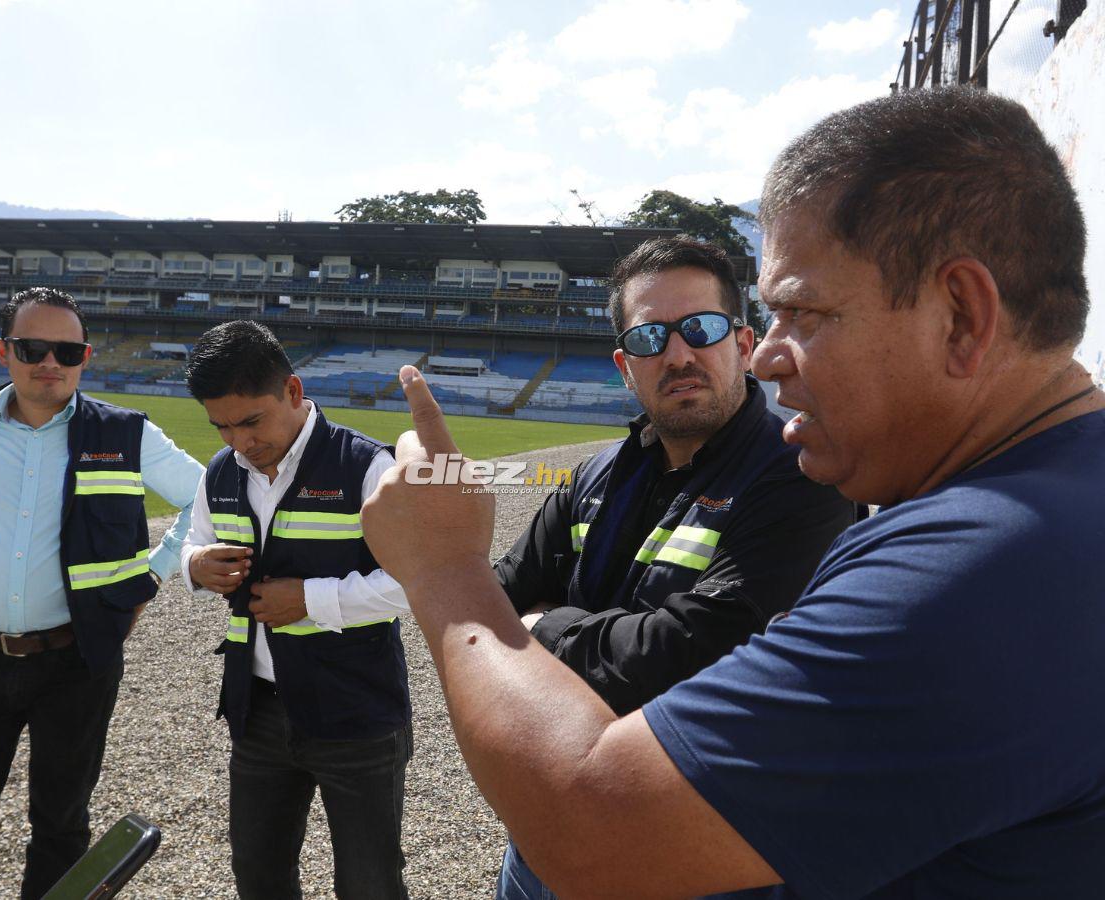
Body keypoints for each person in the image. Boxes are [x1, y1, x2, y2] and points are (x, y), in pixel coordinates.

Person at [361, 85, 1105, 898]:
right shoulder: (1047, 502)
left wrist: (443, 571)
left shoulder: (983, 568)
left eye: (801, 313)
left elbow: (598, 832)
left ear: (962, 315)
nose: (766, 359)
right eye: (651, 339)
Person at [493, 237, 858, 897]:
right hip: (551, 831)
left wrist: (546, 628)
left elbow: (697, 654)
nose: (678, 354)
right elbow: (492, 606)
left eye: (701, 328)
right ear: (623, 366)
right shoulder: (595, 477)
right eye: (650, 338)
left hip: (705, 851)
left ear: (743, 345)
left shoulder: (805, 476)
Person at [0, 287, 203, 900]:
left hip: (77, 663)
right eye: (32, 346)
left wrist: (151, 575)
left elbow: (208, 495)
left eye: (66, 350)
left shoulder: (125, 433)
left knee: (61, 828)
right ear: (2, 351)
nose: (50, 361)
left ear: (85, 358)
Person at [180, 321, 411, 900]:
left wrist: (309, 600)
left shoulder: (366, 467)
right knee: (257, 875)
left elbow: (414, 583)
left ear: (293, 391)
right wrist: (194, 565)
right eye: (222, 426)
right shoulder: (220, 471)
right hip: (255, 710)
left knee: (369, 884)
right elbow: (195, 539)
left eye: (250, 421)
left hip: (356, 712)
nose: (239, 441)